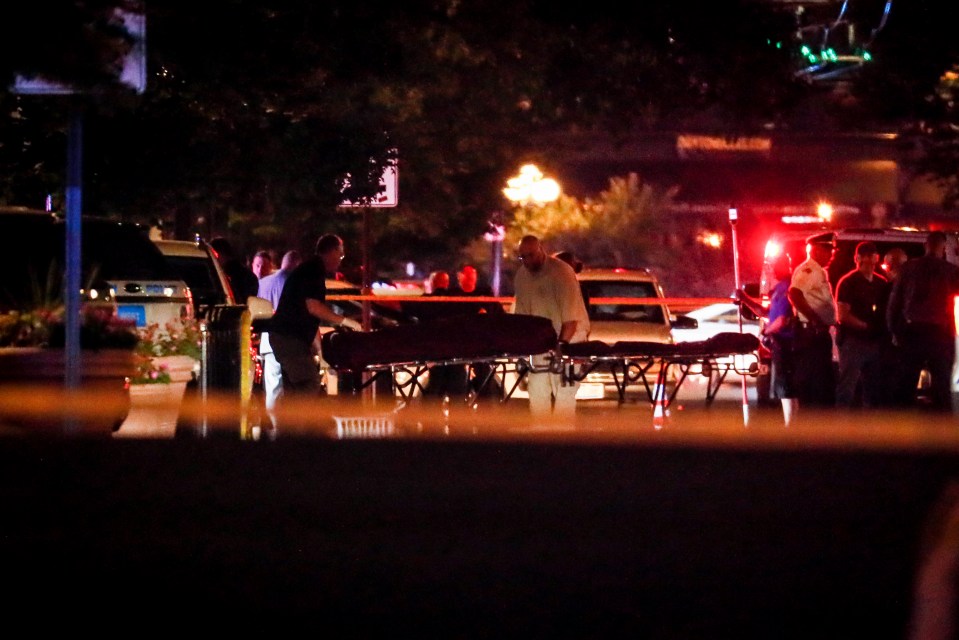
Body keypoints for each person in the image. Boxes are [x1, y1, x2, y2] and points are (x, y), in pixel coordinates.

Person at [268, 235, 362, 408]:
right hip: (289, 338)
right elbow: (314, 307)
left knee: (295, 388)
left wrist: (320, 351)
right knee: (309, 383)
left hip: (285, 336)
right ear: (332, 251)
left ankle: (287, 430)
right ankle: (293, 424)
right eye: (340, 255)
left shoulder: (309, 268)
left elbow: (309, 318)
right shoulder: (313, 270)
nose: (340, 261)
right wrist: (346, 322)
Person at [511, 235, 590, 421]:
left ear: (541, 249)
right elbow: (522, 317)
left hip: (569, 339)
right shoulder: (521, 276)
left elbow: (570, 319)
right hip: (540, 343)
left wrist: (561, 345)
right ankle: (541, 441)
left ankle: (562, 443)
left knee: (564, 395)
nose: (527, 261)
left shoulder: (561, 273)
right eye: (523, 257)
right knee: (537, 395)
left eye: (530, 255)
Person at [886, 231, 959, 411]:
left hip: (913, 332)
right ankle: (941, 430)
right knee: (942, 388)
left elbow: (894, 305)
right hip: (940, 334)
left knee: (905, 386)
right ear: (942, 248)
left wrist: (895, 331)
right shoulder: (950, 271)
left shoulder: (908, 268)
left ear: (925, 245)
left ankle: (901, 428)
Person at [738, 253, 798, 423]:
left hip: (786, 344)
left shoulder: (787, 289)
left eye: (776, 265)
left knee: (787, 390)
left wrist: (765, 332)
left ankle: (791, 428)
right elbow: (766, 313)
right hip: (779, 346)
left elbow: (781, 320)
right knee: (784, 390)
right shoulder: (778, 291)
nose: (772, 270)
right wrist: (744, 299)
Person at [833, 241, 890, 408]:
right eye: (869, 256)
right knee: (847, 387)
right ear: (859, 258)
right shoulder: (848, 282)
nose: (873, 260)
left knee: (873, 390)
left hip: (874, 342)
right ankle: (841, 427)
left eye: (874, 256)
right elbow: (843, 315)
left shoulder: (881, 283)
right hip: (854, 341)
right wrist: (865, 327)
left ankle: (871, 428)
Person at [787, 237, 839, 409]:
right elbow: (794, 293)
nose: (831, 255)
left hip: (816, 334)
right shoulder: (810, 270)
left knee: (820, 384)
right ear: (815, 250)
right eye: (828, 250)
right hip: (811, 335)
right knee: (813, 385)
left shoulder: (819, 271)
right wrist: (815, 320)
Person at [255, 249, 303, 432]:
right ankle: (288, 427)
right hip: (290, 340)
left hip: (267, 340)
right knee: (291, 385)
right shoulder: (294, 283)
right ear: (297, 264)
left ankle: (274, 426)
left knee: (273, 385)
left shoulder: (263, 283)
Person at [210, 236, 259, 303]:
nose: (213, 260)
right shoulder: (248, 275)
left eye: (213, 256)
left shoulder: (237, 276)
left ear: (218, 254)